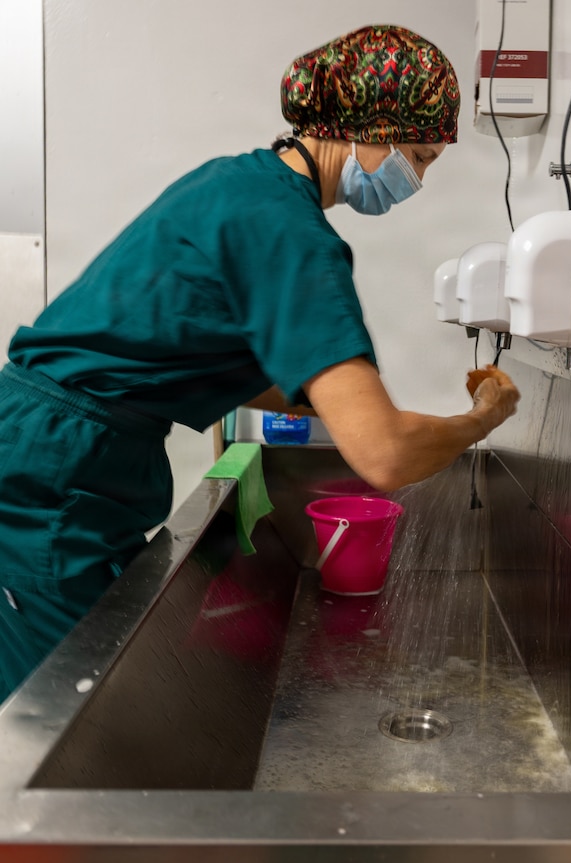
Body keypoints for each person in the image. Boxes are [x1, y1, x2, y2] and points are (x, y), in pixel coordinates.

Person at [0, 24, 519, 701]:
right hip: (58, 468)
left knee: (60, 686)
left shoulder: (238, 185)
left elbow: (286, 390)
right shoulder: (291, 233)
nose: (415, 180)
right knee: (68, 702)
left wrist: (381, 418)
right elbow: (385, 457)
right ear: (370, 128)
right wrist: (481, 419)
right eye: (417, 156)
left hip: (59, 448)